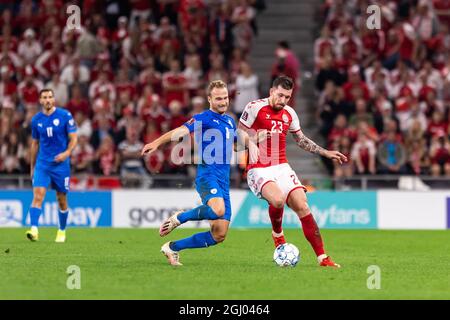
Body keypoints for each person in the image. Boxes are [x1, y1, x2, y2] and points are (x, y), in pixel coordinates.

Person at [238, 76, 347, 268]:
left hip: (281, 166)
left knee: (303, 205)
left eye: (287, 97)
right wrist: (254, 137)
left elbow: (301, 140)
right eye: (280, 95)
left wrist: (325, 152)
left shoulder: (290, 113)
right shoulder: (254, 107)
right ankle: (278, 235)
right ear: (272, 91)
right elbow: (238, 137)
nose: (283, 100)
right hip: (258, 167)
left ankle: (323, 258)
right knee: (278, 200)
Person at [141, 80, 249, 266]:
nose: (223, 102)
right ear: (209, 99)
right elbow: (180, 131)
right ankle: (180, 217)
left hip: (223, 181)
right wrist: (156, 143)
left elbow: (234, 146)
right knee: (218, 210)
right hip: (207, 176)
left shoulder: (230, 121)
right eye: (218, 98)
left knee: (219, 235)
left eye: (225, 98)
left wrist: (259, 139)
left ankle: (172, 248)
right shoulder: (204, 118)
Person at [26, 89, 78, 242]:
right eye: (44, 98)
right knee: (38, 196)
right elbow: (34, 144)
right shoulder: (36, 120)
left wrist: (67, 153)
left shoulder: (65, 116)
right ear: (40, 101)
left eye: (50, 97)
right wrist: (32, 166)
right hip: (43, 164)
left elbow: (74, 138)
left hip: (61, 165)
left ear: (54, 99)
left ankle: (61, 231)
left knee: (61, 199)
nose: (47, 100)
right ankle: (34, 230)